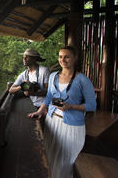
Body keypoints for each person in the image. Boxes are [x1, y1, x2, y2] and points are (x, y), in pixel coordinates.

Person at [28, 46, 96, 178]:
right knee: (49, 157)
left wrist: (71, 106)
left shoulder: (83, 80)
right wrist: (41, 111)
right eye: (60, 56)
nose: (63, 60)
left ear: (75, 58)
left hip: (72, 127)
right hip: (52, 122)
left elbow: (92, 105)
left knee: (65, 162)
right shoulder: (53, 76)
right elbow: (49, 97)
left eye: (67, 56)